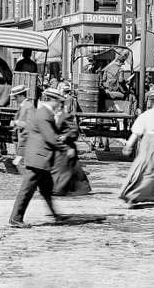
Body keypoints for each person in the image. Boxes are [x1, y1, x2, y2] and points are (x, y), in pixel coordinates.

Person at [9, 87, 68, 228]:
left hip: (41, 158)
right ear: (52, 100)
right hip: (38, 159)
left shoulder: (43, 112)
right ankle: (15, 218)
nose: (60, 104)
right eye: (59, 101)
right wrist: (65, 148)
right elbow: (50, 138)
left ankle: (55, 215)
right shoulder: (44, 114)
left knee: (46, 190)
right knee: (27, 190)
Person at [120, 89, 154, 208]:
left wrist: (129, 145)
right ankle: (133, 196)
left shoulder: (145, 114)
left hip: (145, 143)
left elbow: (136, 132)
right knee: (152, 172)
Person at [52, 86, 92, 196]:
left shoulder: (65, 116)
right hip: (60, 148)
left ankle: (61, 189)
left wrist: (66, 136)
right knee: (68, 169)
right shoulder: (54, 116)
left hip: (67, 146)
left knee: (68, 169)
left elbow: (74, 131)